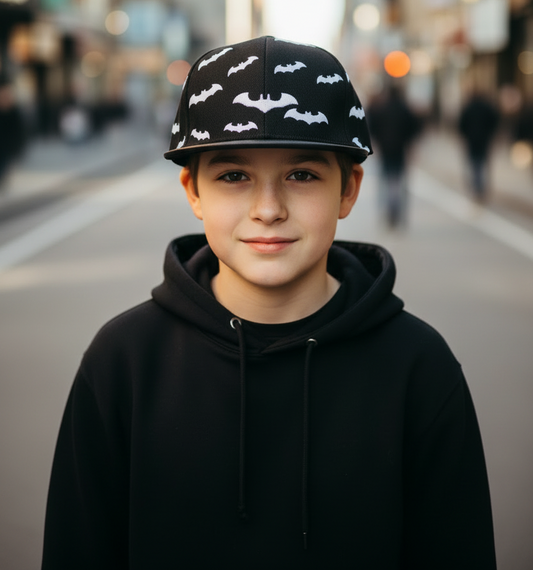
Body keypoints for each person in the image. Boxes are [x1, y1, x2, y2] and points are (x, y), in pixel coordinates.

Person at [41, 36, 496, 569]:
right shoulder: (124, 361)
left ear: (348, 189)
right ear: (193, 191)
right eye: (234, 177)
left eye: (301, 175)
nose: (268, 209)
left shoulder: (418, 366)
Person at [367, 84, 421, 227]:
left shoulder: (382, 109)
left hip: (385, 150)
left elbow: (373, 127)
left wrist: (376, 143)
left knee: (384, 182)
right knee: (398, 182)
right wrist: (410, 145)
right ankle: (396, 210)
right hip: (400, 150)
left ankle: (387, 210)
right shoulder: (405, 110)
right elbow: (414, 127)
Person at [458, 92, 499, 202]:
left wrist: (464, 136)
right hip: (484, 140)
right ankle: (482, 187)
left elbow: (461, 124)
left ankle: (477, 188)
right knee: (483, 163)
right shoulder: (487, 108)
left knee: (475, 164)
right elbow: (494, 121)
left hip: (472, 140)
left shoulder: (469, 108)